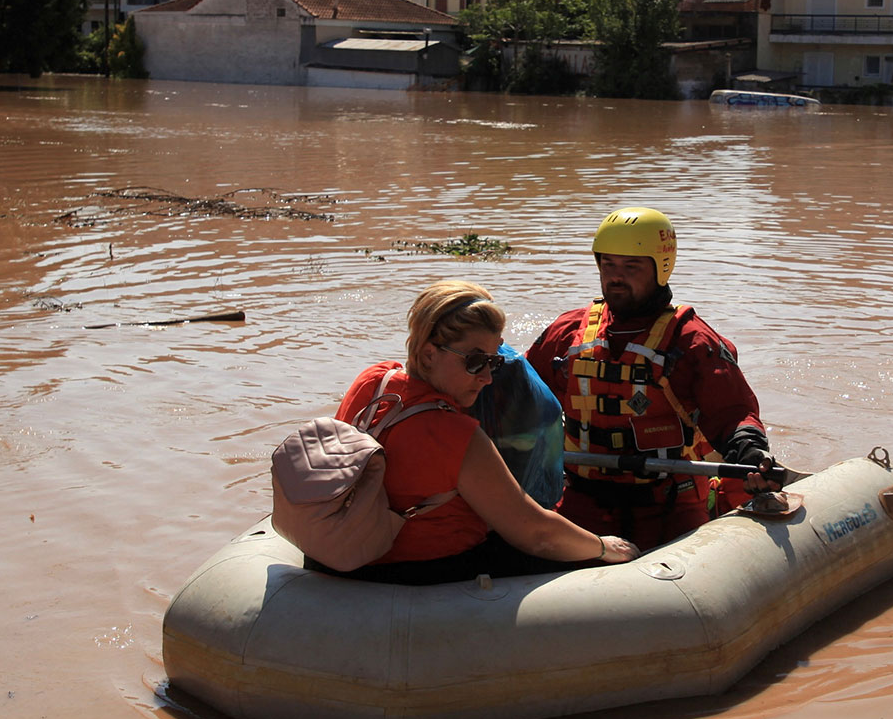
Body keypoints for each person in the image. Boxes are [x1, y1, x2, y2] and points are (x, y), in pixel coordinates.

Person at [317, 279, 638, 585]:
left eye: (494, 361)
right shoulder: (456, 434)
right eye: (474, 362)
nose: (487, 378)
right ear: (429, 353)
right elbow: (537, 534)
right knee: (589, 563)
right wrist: (603, 546)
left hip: (350, 557)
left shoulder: (372, 381)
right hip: (428, 571)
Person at [526, 207, 775, 550]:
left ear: (661, 269)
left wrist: (750, 452)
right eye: (608, 264)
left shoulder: (691, 341)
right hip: (582, 498)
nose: (616, 276)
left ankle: (719, 499)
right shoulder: (568, 332)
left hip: (668, 501)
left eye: (631, 267)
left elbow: (732, 413)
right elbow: (520, 394)